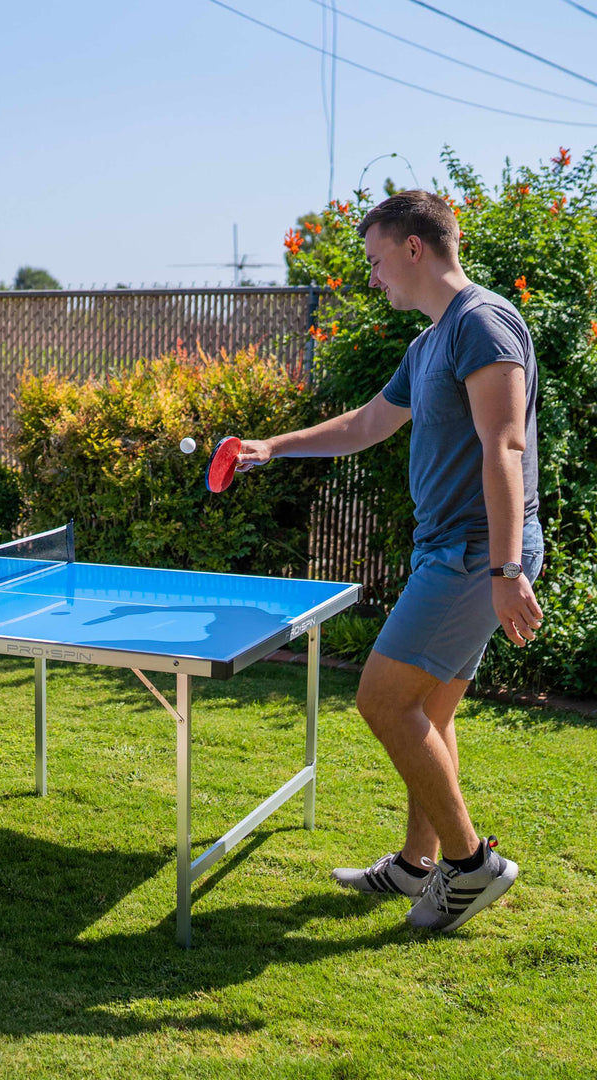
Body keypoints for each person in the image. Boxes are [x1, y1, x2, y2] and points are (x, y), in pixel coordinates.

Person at [232, 190, 543, 932]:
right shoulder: (429, 342)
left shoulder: (481, 323)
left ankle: (471, 867)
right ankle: (416, 866)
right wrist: (272, 447)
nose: (372, 277)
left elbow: (504, 445)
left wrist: (504, 573)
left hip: (475, 553)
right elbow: (369, 423)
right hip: (454, 549)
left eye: (375, 260)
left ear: (414, 248)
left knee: (381, 699)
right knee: (430, 712)